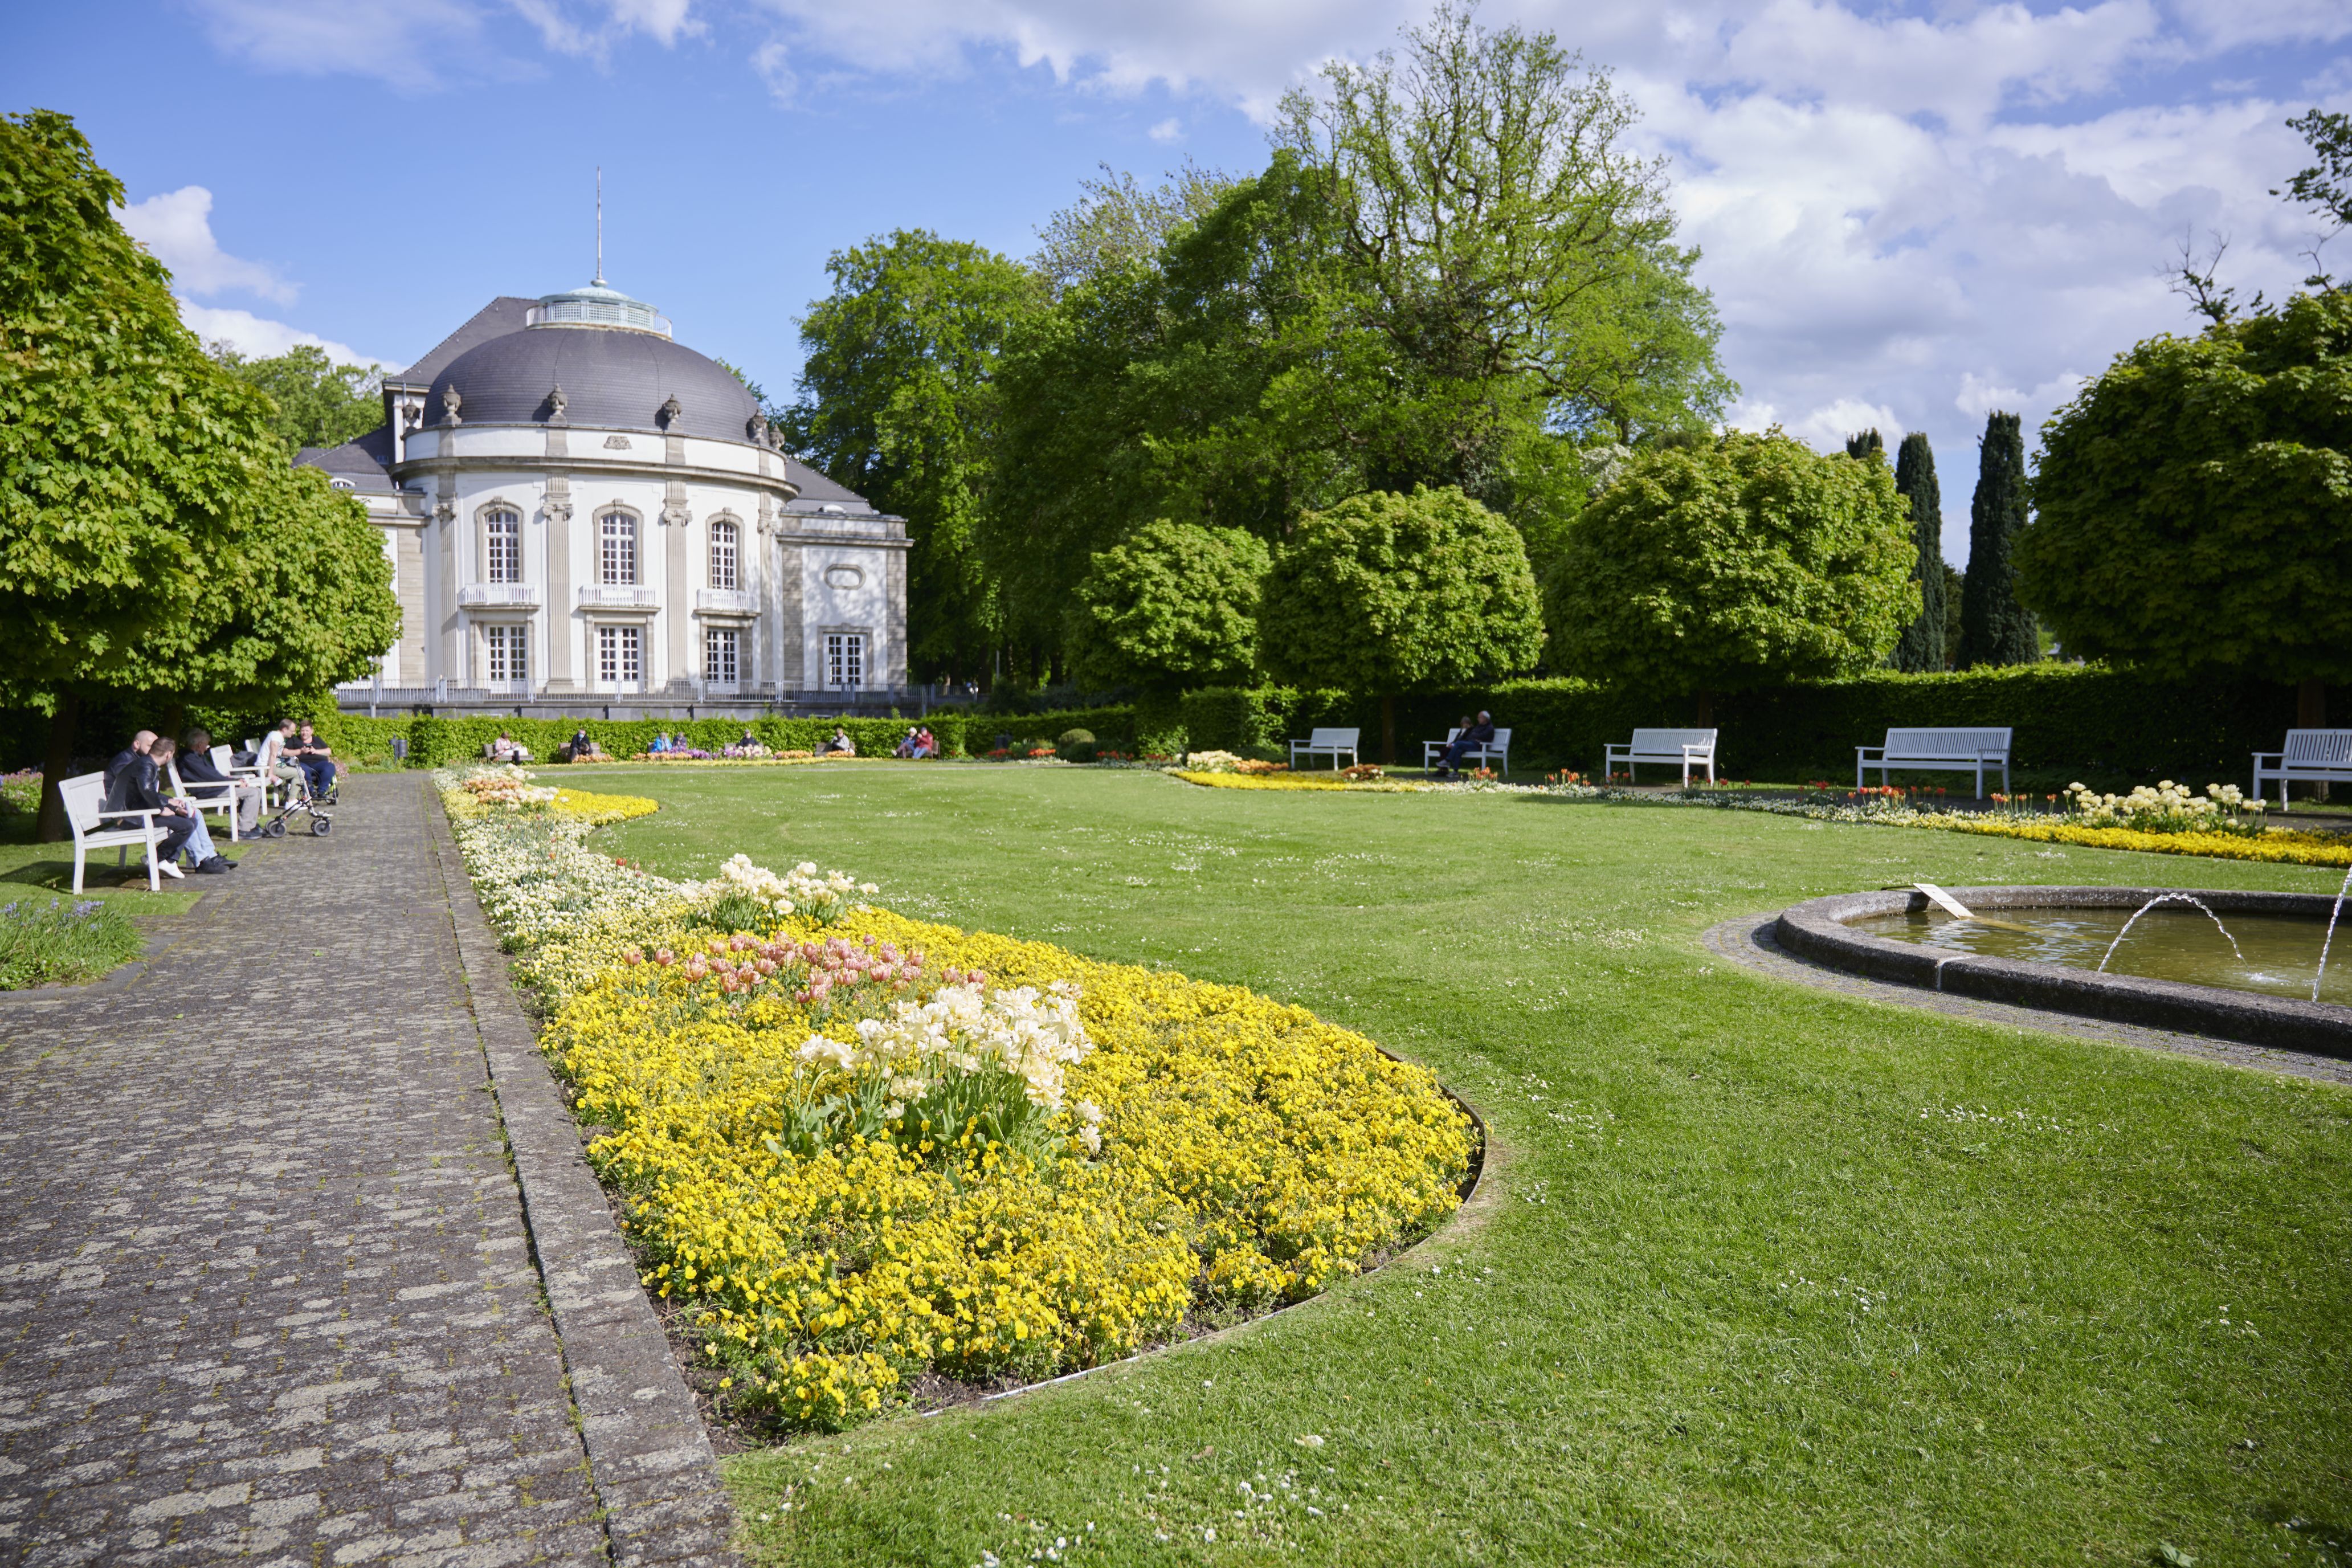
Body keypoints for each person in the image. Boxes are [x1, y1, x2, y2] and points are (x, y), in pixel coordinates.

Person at [103, 735, 228, 876]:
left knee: (190, 819)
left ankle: (170, 861)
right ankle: (156, 858)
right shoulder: (146, 765)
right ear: (169, 755)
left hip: (135, 813)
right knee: (186, 826)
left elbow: (149, 792)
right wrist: (162, 809)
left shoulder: (146, 763)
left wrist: (171, 802)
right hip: (127, 818)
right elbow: (147, 790)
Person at [178, 728, 263, 835]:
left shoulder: (194, 758)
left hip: (213, 788)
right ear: (200, 745)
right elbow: (210, 776)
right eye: (206, 746)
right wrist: (234, 782)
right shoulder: (191, 759)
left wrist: (234, 780)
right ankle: (244, 829)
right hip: (209, 791)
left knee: (256, 791)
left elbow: (212, 776)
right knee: (253, 792)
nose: (206, 749)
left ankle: (251, 826)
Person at [284, 721, 338, 801]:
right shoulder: (294, 740)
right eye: (303, 731)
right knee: (302, 769)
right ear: (300, 731)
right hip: (302, 764)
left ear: (312, 731)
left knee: (330, 767)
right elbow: (284, 752)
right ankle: (311, 791)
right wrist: (300, 751)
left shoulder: (317, 740)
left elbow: (328, 751)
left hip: (319, 764)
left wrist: (316, 751)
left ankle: (322, 791)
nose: (305, 733)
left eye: (307, 731)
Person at [1434, 710, 1497, 778]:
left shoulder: (1489, 728)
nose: (1478, 719)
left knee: (1459, 743)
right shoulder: (1479, 726)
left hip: (1480, 746)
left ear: (1485, 718)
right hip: (1473, 744)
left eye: (1480, 717)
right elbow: (1471, 735)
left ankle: (1447, 760)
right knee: (1459, 750)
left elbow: (1481, 736)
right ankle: (1455, 772)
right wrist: (1476, 737)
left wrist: (1475, 736)